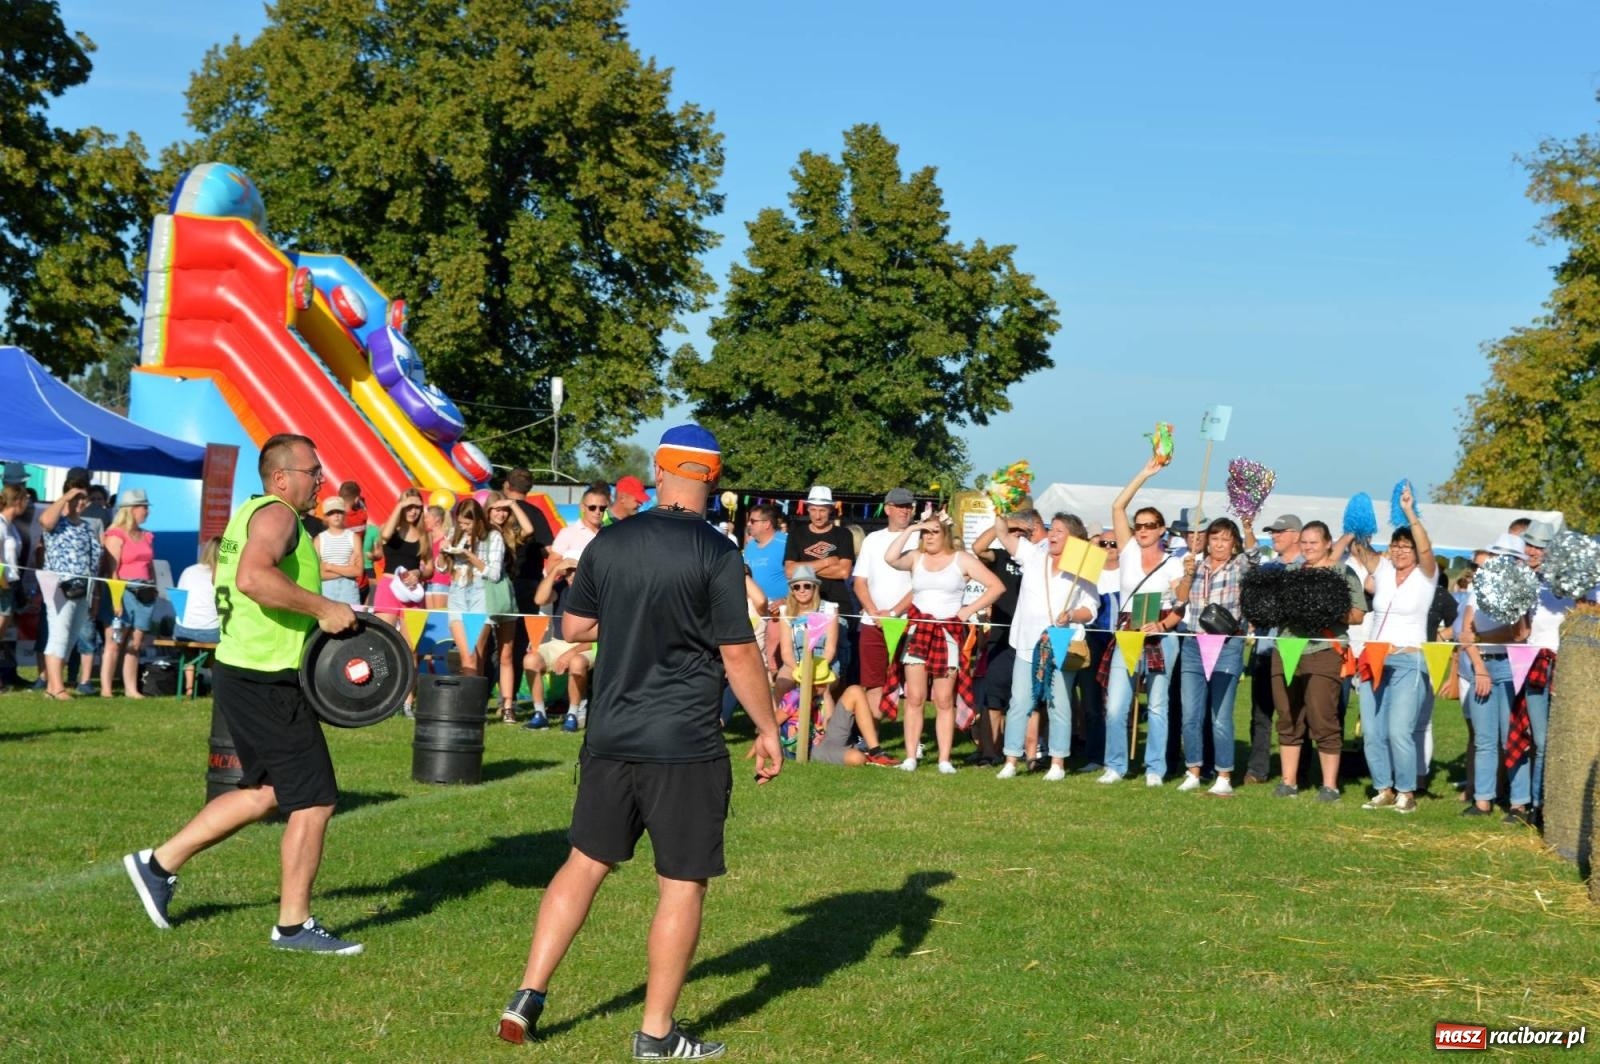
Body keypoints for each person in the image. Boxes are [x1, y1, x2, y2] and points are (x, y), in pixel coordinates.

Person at [495, 423, 782, 1058]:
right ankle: (655, 1035)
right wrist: (768, 729)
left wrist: (633, 617)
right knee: (681, 883)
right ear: (714, 475)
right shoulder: (718, 552)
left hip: (611, 732)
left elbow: (574, 624)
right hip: (683, 741)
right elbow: (738, 653)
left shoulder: (609, 541)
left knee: (584, 863)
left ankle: (527, 996)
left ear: (658, 469)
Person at [123, 434, 363, 952]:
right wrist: (324, 609)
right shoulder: (277, 515)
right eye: (312, 471)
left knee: (264, 793)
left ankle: (157, 864)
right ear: (281, 477)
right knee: (315, 799)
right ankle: (294, 926)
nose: (319, 479)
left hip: (244, 669)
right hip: (265, 677)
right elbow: (255, 579)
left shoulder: (252, 512)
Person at [1349, 486, 1439, 815]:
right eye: (1396, 546)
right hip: (1374, 657)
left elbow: (1426, 546)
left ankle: (1406, 791)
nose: (1401, 552)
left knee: (1399, 730)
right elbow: (1358, 548)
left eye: (1407, 547)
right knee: (1372, 732)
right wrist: (1356, 522)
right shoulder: (1384, 570)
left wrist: (1410, 512)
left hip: (1409, 659)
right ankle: (1383, 788)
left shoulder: (1428, 576)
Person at [988, 511, 1097, 781]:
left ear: (1073, 538)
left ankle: (1058, 762)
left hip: (1061, 640)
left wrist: (1071, 615)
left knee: (1059, 701)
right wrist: (1006, 514)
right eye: (1052, 529)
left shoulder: (1083, 567)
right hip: (1027, 641)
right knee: (1020, 701)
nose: (1052, 535)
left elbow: (1090, 609)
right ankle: (1011, 759)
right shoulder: (1034, 554)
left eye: (1060, 531)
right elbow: (1001, 532)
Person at [1102, 459, 1186, 786]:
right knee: (1116, 705)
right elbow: (1117, 506)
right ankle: (1115, 765)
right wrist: (1145, 474)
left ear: (1162, 529)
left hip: (1161, 632)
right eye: (1139, 525)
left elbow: (1181, 604)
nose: (1143, 529)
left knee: (1158, 705)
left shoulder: (1174, 563)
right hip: (1128, 630)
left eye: (1150, 525)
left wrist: (1164, 625)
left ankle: (1155, 769)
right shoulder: (1126, 550)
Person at [1269, 521, 1364, 801]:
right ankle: (1289, 783)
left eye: (1314, 542)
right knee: (1287, 716)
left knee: (1323, 718)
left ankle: (1330, 785)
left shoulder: (1343, 573)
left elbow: (1358, 616)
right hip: (1286, 648)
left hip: (1323, 650)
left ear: (1327, 544)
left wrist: (1328, 609)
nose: (1308, 547)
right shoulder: (1289, 573)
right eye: (1305, 542)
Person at [1172, 516, 1257, 795]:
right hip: (1195, 644)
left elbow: (1255, 556)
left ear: (1233, 544)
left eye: (1225, 539)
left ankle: (1224, 775)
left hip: (1227, 644)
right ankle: (1193, 770)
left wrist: (1247, 527)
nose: (1219, 544)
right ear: (1207, 541)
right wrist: (1187, 573)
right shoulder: (1195, 565)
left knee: (1220, 715)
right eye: (1215, 538)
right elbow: (1180, 601)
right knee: (1190, 715)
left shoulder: (1239, 566)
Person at [1456, 532, 1532, 818]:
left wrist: (1481, 635)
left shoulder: (1522, 590)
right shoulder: (1478, 588)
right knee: (1485, 738)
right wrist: (1479, 668)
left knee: (1511, 738)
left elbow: (1521, 633)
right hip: (1484, 664)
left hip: (1512, 665)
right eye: (1501, 557)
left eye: (1511, 558)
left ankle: (1518, 802)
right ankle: (1483, 800)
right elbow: (1465, 633)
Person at [1512, 521, 1568, 826]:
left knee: (1557, 740)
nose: (1532, 551)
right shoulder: (1524, 581)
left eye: (1539, 546)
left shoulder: (1568, 581)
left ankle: (1549, 804)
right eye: (1529, 545)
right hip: (1533, 662)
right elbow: (1522, 632)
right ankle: (1537, 806)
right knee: (1540, 738)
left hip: (1564, 664)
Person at [1243, 514, 1305, 785]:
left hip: (1298, 650)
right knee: (1260, 712)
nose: (1275, 536)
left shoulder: (1308, 568)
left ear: (1296, 534)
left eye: (1280, 532)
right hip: (1266, 649)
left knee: (1297, 712)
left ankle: (1300, 771)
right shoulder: (1267, 569)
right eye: (1273, 532)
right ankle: (1257, 769)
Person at [36, 477, 102, 700]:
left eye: (85, 498)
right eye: (78, 497)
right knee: (59, 634)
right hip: (57, 584)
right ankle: (57, 688)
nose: (82, 502)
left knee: (71, 637)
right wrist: (65, 497)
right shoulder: (57, 522)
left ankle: (52, 686)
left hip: (84, 587)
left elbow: (93, 563)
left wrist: (95, 595)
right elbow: (44, 521)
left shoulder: (86, 527)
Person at [853, 488, 917, 716]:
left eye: (908, 506)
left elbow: (921, 585)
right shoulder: (873, 539)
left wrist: (894, 612)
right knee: (873, 683)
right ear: (887, 508)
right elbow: (860, 582)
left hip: (911, 622)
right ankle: (872, 741)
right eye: (900, 506)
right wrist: (875, 613)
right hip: (874, 623)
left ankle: (913, 742)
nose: (905, 510)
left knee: (914, 688)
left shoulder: (921, 538)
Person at [501, 469, 556, 704]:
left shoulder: (498, 511)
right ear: (529, 489)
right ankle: (509, 698)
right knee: (520, 642)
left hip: (500, 584)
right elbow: (548, 550)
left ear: (506, 486)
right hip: (529, 584)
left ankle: (488, 695)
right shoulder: (536, 514)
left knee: (495, 642)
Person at [101, 488, 158, 699]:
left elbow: (150, 564)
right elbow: (112, 570)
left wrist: (154, 586)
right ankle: (106, 689)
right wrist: (117, 600)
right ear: (133, 510)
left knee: (136, 642)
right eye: (144, 507)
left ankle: (131, 689)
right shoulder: (115, 535)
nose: (147, 512)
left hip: (144, 591)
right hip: (123, 590)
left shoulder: (146, 536)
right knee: (114, 641)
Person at [484, 492, 535, 722]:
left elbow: (529, 529)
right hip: (482, 593)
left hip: (505, 594)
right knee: (481, 652)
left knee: (506, 654)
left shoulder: (511, 535)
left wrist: (513, 504)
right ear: (487, 510)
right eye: (496, 508)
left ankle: (507, 706)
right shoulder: (480, 533)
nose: (501, 513)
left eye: (504, 510)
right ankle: (477, 702)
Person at [442, 497, 503, 677]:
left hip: (481, 595)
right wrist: (442, 551)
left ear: (478, 521)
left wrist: (471, 557)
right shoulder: (456, 533)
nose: (464, 527)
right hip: (457, 593)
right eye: (460, 523)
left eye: (468, 523)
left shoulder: (493, 536)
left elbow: (494, 574)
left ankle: (475, 702)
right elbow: (443, 568)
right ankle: (470, 702)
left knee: (476, 655)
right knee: (467, 655)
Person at [774, 564, 838, 719]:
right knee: (782, 683)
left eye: (806, 586)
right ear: (792, 590)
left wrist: (814, 669)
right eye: (797, 587)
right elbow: (786, 651)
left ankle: (829, 734)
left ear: (814, 588)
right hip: (794, 661)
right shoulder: (786, 612)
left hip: (823, 662)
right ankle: (775, 729)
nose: (801, 590)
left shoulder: (830, 610)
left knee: (823, 688)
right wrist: (799, 670)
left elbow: (830, 648)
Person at [370, 488, 431, 621]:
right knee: (385, 638)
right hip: (389, 588)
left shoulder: (425, 536)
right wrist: (401, 504)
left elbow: (430, 569)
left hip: (412, 590)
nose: (413, 511)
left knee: (410, 641)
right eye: (409, 507)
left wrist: (418, 573)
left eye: (417, 507)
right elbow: (385, 536)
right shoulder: (389, 529)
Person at [742, 503, 789, 671]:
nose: (748, 524)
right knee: (754, 657)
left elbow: (799, 576)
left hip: (778, 611)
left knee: (773, 660)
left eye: (753, 521)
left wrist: (786, 600)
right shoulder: (751, 546)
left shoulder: (785, 542)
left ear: (767, 523)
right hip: (753, 609)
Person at [174, 537, 223, 697]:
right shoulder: (223, 574)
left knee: (189, 652)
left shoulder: (189, 570)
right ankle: (217, 687)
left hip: (184, 629)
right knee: (219, 648)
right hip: (211, 632)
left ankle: (189, 688)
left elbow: (178, 601)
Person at [313, 497, 362, 606]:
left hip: (349, 590)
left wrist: (330, 567)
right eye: (331, 512)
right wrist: (347, 570)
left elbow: (358, 571)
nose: (336, 515)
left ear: (344, 514)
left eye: (339, 511)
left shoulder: (353, 537)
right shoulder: (319, 540)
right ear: (325, 517)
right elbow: (316, 574)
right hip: (326, 591)